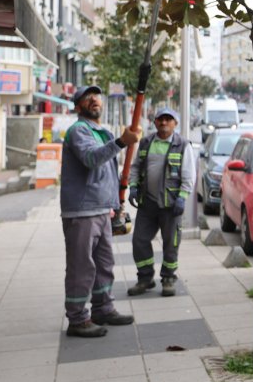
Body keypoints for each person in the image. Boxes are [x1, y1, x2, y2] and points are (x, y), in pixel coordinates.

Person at [61, 85, 140, 338]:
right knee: (81, 266)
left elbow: (109, 173)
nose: (94, 99)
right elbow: (91, 159)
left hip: (102, 209)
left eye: (96, 96)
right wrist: (120, 142)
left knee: (105, 264)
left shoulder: (101, 132)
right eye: (87, 97)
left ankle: (103, 308)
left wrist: (116, 206)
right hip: (82, 211)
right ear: (78, 106)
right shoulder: (78, 131)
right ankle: (77, 318)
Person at [126, 107, 193, 298]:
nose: (164, 123)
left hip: (171, 205)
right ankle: (145, 279)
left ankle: (168, 279)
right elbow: (136, 166)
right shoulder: (146, 142)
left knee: (170, 244)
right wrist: (133, 186)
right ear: (155, 122)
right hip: (148, 203)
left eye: (168, 120)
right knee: (139, 241)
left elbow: (189, 175)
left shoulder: (183, 145)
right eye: (160, 120)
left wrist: (182, 197)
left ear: (175, 123)